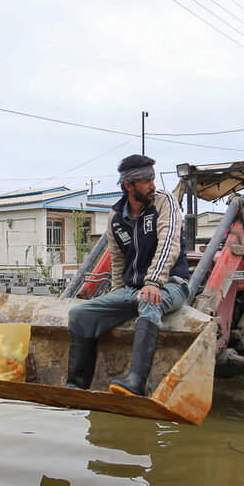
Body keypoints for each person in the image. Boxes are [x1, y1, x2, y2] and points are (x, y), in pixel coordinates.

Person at [65, 154, 191, 397]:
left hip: (170, 284)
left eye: (153, 178)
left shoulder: (165, 203)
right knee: (79, 314)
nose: (153, 185)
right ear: (128, 186)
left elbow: (169, 243)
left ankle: (135, 383)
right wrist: (116, 299)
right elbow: (118, 263)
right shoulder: (116, 218)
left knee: (149, 299)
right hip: (133, 289)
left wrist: (154, 281)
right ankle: (76, 387)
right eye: (146, 181)